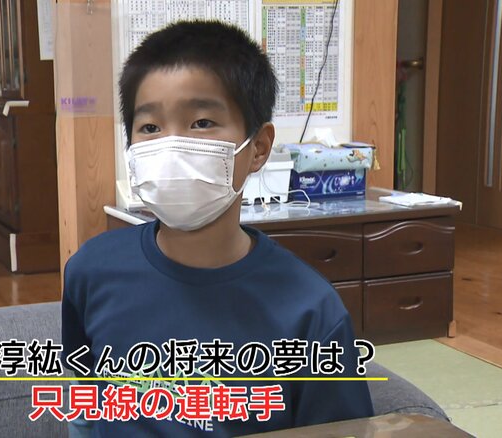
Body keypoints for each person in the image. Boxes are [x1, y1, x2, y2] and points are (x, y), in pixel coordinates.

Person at [61, 20, 373, 437]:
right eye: (150, 127)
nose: (171, 146)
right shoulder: (91, 271)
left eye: (202, 122)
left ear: (258, 148)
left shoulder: (311, 312)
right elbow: (87, 405)